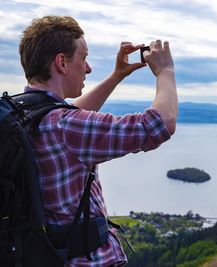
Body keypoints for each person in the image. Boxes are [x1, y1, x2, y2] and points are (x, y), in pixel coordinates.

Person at [18, 15, 177, 266]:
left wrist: (116, 76)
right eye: (84, 58)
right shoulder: (65, 126)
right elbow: (159, 124)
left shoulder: (23, 113)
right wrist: (166, 72)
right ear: (61, 62)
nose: (88, 68)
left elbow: (68, 115)